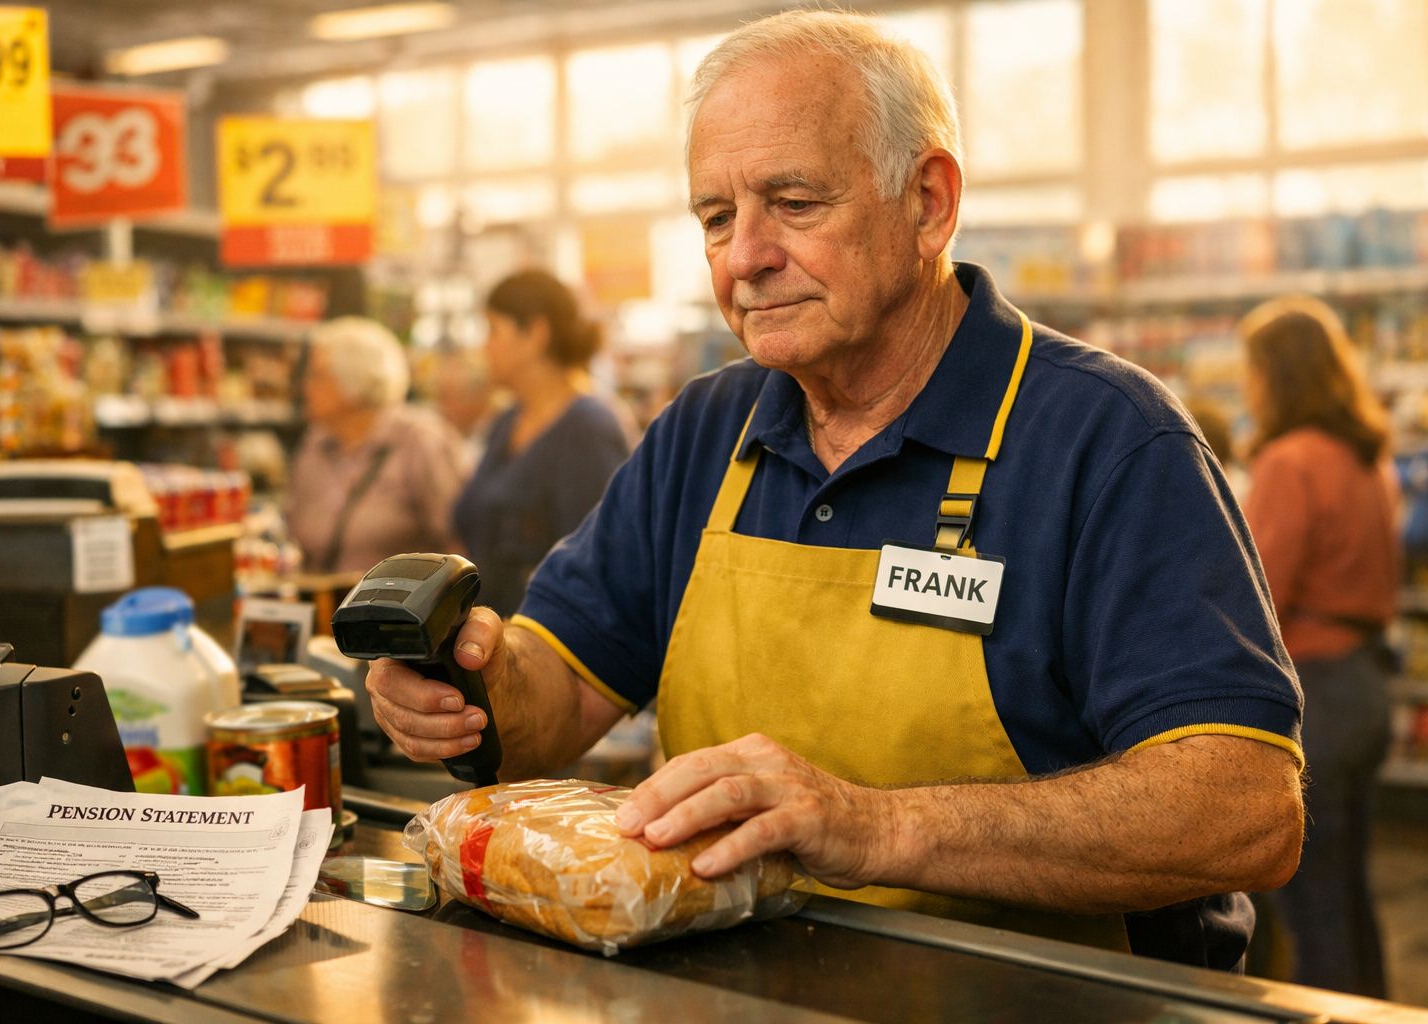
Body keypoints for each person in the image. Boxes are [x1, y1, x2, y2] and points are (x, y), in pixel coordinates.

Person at [369, 10, 1303, 969]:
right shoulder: (705, 431)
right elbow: (557, 695)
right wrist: (469, 682)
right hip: (743, 992)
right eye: (717, 218)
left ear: (930, 202)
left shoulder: (1104, 440)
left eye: (795, 203)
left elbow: (1242, 807)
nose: (745, 258)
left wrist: (877, 829)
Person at [1240, 296, 1400, 997]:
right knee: (1348, 889)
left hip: (1318, 693)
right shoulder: (1364, 457)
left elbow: (1256, 589)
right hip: (1365, 684)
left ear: (1278, 373)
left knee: (1310, 905)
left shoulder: (1289, 461)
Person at [452, 270, 631, 616]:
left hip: (548, 642)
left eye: (492, 330)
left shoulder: (588, 429)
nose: (483, 346)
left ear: (535, 334)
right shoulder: (506, 421)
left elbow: (595, 564)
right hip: (488, 634)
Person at [285, 316, 465, 575]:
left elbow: (459, 539)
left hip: (401, 612)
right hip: (324, 608)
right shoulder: (314, 443)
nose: (305, 387)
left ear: (355, 381)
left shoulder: (420, 440)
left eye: (318, 375)